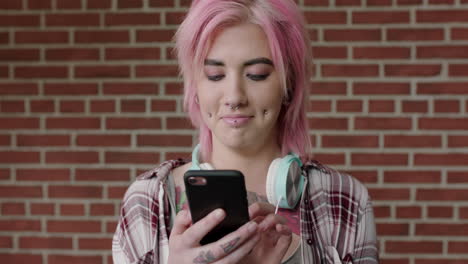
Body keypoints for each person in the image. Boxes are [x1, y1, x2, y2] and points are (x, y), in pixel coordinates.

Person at [112, 0, 379, 263]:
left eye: (257, 74)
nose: (234, 97)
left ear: (289, 84)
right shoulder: (147, 202)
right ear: (195, 88)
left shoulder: (345, 200)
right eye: (215, 75)